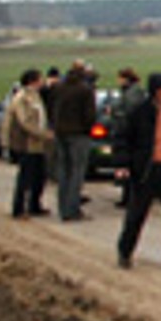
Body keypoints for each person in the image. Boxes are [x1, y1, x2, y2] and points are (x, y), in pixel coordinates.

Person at [114, 72, 161, 269]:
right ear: (153, 90)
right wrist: (122, 165)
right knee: (137, 214)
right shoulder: (139, 113)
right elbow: (123, 139)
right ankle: (125, 252)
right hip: (145, 170)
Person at [52, 60, 97, 221]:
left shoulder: (58, 87)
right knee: (77, 173)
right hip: (78, 134)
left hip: (60, 133)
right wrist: (87, 129)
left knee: (63, 171)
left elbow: (52, 108)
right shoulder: (84, 90)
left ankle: (62, 208)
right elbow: (90, 115)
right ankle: (72, 210)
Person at [7, 68, 52, 219]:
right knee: (25, 177)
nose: (43, 81)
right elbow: (25, 122)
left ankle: (34, 205)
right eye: (40, 79)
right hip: (26, 143)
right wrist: (42, 134)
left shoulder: (35, 96)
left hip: (38, 144)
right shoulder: (22, 98)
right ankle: (18, 208)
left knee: (40, 176)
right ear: (33, 81)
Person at [110, 67, 145, 208]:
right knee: (124, 166)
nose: (118, 81)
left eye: (120, 78)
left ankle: (130, 197)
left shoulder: (133, 93)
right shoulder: (130, 92)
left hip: (128, 135)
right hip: (124, 133)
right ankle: (127, 196)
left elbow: (130, 112)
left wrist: (116, 113)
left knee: (128, 166)